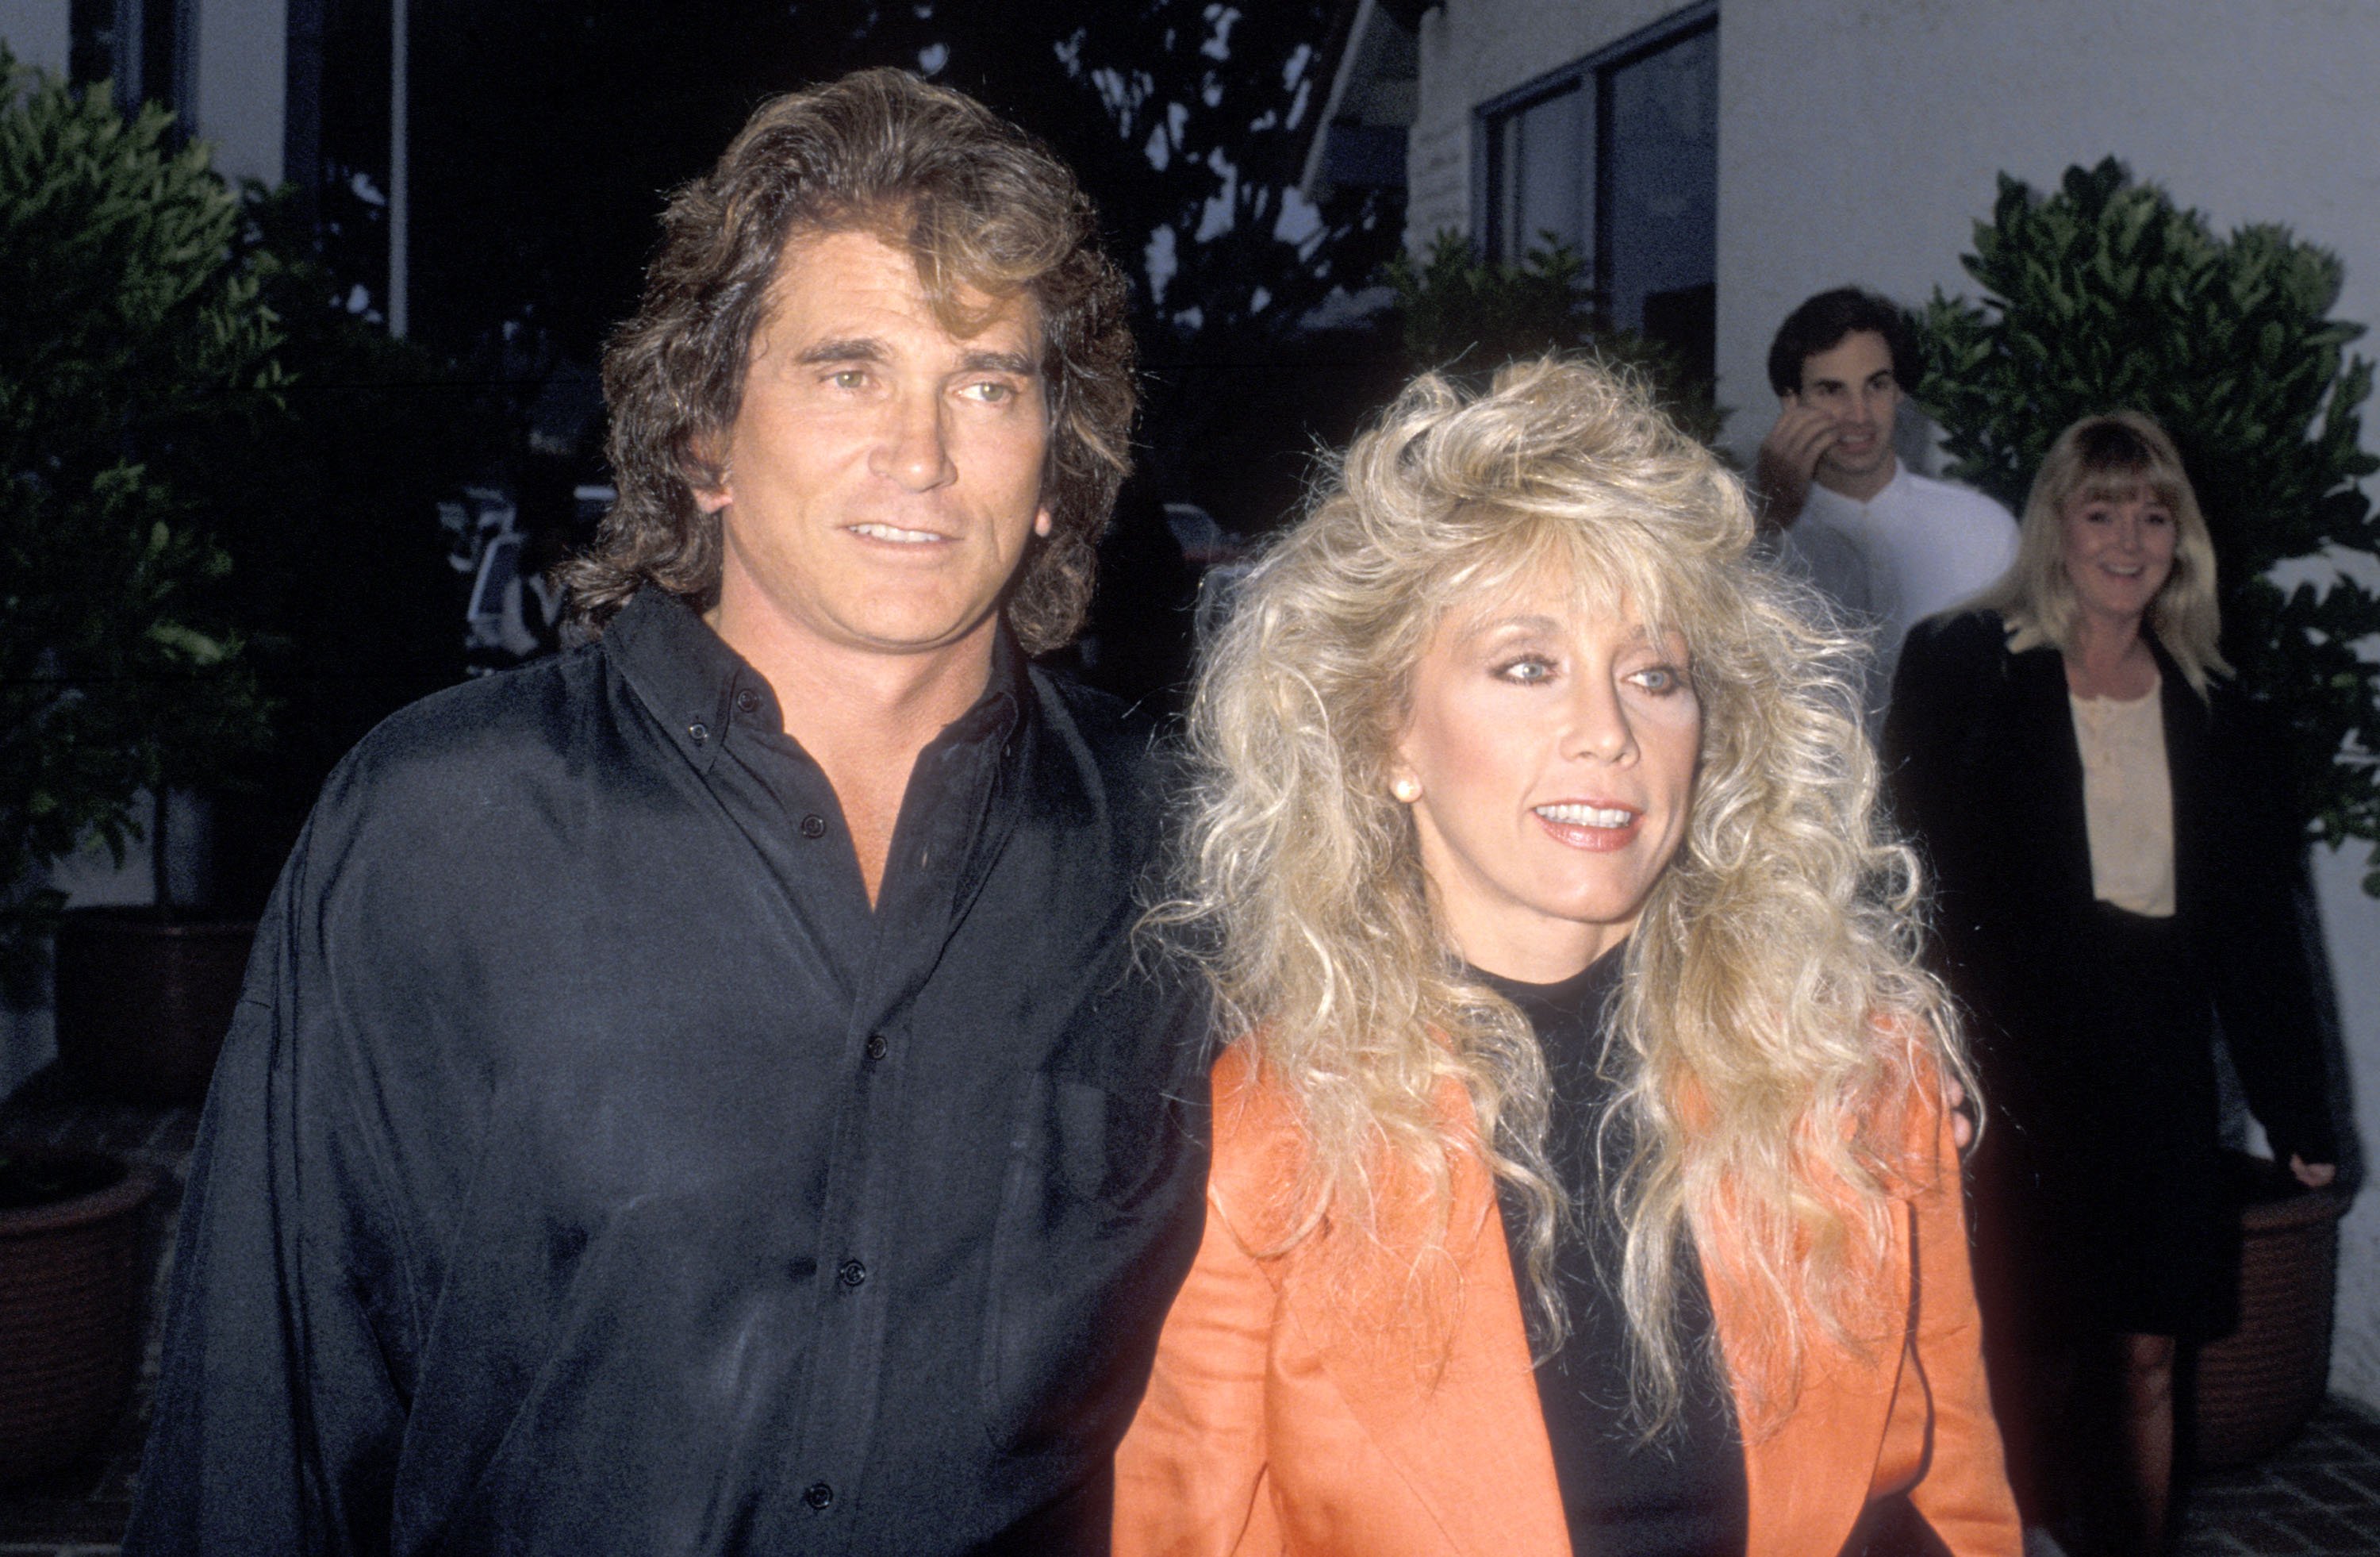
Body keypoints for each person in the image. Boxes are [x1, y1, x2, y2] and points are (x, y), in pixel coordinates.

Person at [125, 70, 1207, 1555]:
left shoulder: (1178, 857)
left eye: (988, 381)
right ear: (705, 438)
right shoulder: (443, 829)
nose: (923, 452)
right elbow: (263, 1428)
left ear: (1049, 472)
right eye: (848, 369)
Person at [1115, 358, 2020, 1555]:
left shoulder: (1859, 1072)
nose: (1609, 732)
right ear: (1392, 730)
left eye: (1655, 675)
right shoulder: (1261, 1139)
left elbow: (1959, 1504)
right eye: (1528, 666)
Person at [1883, 412, 2339, 1556]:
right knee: (2022, 1347)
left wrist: (2299, 1111)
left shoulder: (2220, 708)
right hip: (2012, 1066)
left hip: (2157, 1070)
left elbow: (2258, 934)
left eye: (2155, 513)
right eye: (2103, 511)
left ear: (2182, 539)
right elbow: (1907, 885)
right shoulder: (1966, 664)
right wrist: (1906, 1058)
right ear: (2058, 526)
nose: (2130, 539)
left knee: (2146, 1350)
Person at [1756, 287, 2018, 706]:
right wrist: (1771, 523)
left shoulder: (1984, 530)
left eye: (1876, 386)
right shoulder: (1758, 541)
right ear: (1792, 402)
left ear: (1899, 390)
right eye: (1831, 390)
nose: (1859, 415)